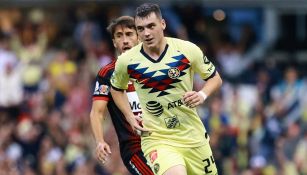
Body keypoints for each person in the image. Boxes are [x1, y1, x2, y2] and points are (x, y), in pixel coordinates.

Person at [110, 3, 222, 175]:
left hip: (192, 135)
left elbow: (215, 78)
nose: (146, 33)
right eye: (140, 29)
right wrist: (129, 116)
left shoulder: (186, 49)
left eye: (151, 26)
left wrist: (202, 94)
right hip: (158, 138)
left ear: (163, 24)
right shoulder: (127, 61)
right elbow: (116, 89)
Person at [90, 16, 154, 175]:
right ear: (114, 42)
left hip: (163, 141)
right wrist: (99, 141)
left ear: (139, 37)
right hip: (135, 148)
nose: (125, 40)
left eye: (129, 34)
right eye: (119, 36)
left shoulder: (156, 67)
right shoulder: (107, 73)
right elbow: (97, 112)